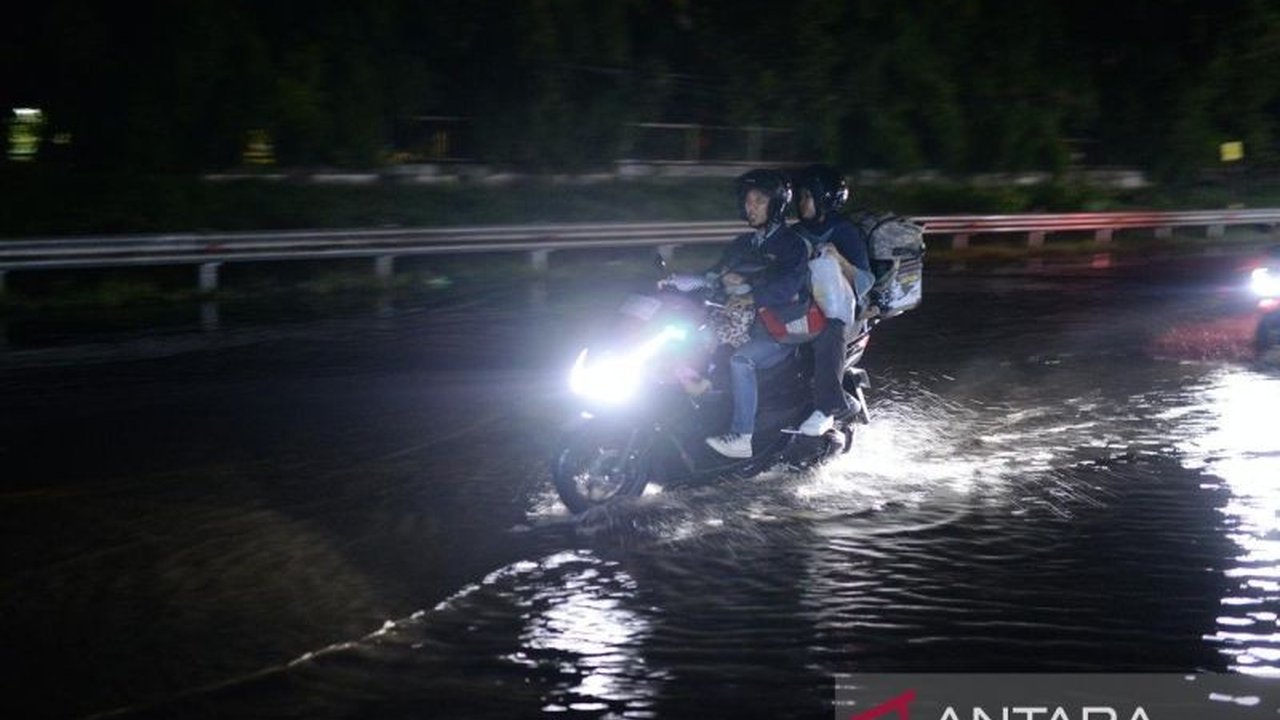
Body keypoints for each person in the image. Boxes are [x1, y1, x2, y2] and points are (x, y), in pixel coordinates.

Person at [702, 169, 812, 459]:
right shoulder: (743, 244)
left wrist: (751, 296)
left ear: (775, 204)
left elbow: (789, 284)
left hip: (777, 329)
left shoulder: (792, 245)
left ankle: (742, 436)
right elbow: (715, 273)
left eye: (759, 201)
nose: (750, 207)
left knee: (741, 361)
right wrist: (678, 283)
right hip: (738, 324)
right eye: (747, 201)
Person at [789, 164, 874, 437]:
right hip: (808, 306)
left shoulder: (843, 231)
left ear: (824, 198)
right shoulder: (797, 232)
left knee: (829, 331)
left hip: (845, 313)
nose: (801, 203)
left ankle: (828, 408)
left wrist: (838, 259)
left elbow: (865, 280)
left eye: (807, 197)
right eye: (800, 197)